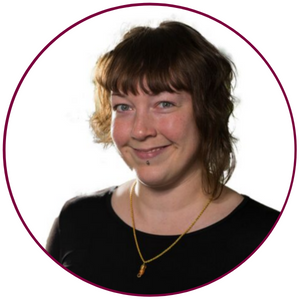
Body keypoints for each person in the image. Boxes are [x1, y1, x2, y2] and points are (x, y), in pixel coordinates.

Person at [46, 21, 279, 295]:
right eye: (123, 107)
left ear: (208, 111)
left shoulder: (270, 236)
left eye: (164, 104)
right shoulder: (76, 220)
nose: (141, 130)